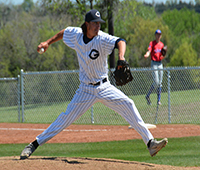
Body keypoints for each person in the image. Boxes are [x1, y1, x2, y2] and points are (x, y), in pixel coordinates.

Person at [20, 9, 167, 160]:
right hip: (85, 90)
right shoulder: (76, 35)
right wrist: (47, 42)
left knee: (128, 104)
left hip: (104, 87)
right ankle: (34, 144)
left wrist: (121, 58)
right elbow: (64, 32)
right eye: (95, 23)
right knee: (65, 118)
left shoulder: (101, 38)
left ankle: (150, 143)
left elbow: (120, 41)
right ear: (87, 24)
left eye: (99, 23)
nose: (98, 26)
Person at [144, 29, 165, 105]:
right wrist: (147, 54)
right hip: (154, 63)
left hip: (160, 63)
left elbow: (162, 54)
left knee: (160, 83)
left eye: (159, 34)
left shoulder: (162, 44)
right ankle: (148, 95)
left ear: (161, 36)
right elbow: (149, 50)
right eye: (157, 34)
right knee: (156, 82)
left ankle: (158, 100)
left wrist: (164, 55)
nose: (158, 36)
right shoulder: (152, 43)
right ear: (155, 35)